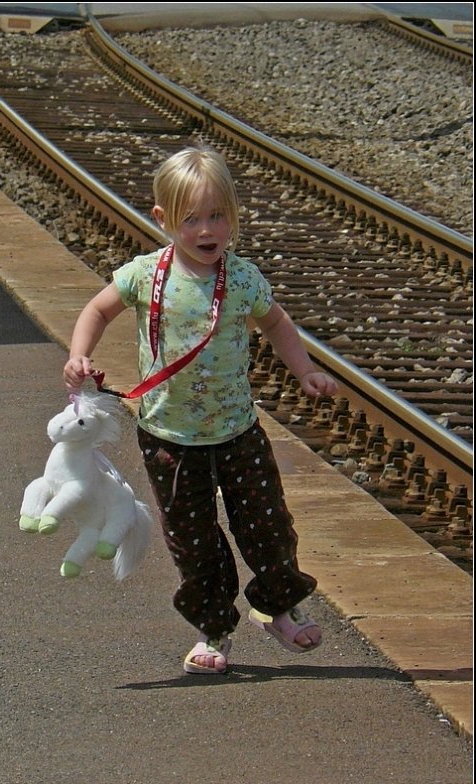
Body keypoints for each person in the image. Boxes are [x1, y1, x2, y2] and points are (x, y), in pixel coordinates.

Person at [63, 146, 338, 674]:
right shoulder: (145, 276)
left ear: (234, 215)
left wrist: (304, 370)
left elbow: (277, 323)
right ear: (163, 219)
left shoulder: (242, 279)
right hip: (168, 435)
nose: (208, 229)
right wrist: (80, 354)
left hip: (237, 431)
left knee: (267, 524)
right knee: (193, 540)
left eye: (218, 216)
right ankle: (215, 628)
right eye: (192, 220)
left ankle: (278, 606)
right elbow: (98, 309)